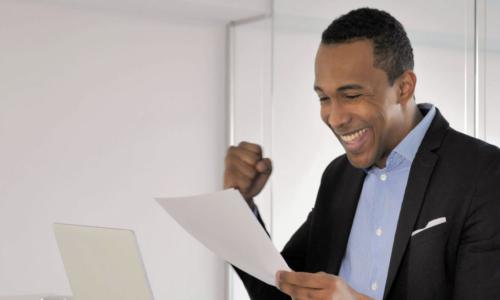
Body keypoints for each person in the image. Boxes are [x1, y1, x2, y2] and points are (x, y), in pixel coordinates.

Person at [223, 7, 500, 300]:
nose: (335, 118)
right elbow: (280, 291)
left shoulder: (483, 173)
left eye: (352, 96)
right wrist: (238, 204)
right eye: (324, 98)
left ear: (404, 88)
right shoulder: (337, 177)